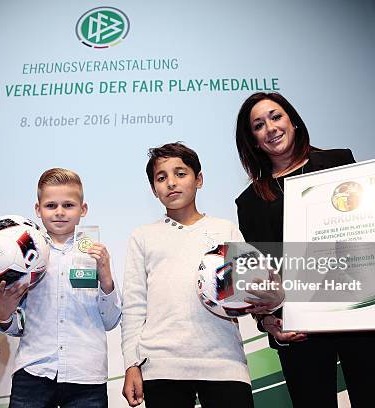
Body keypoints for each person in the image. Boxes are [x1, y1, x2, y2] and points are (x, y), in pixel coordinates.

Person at [234, 92, 375, 408]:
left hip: (362, 312)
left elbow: (373, 220)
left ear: (292, 121)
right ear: (253, 140)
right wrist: (268, 321)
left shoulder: (339, 162)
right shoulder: (251, 202)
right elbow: (261, 276)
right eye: (259, 125)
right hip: (300, 327)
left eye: (276, 116)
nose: (270, 128)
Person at [121, 142, 283, 408]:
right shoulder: (143, 236)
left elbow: (253, 288)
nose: (171, 182)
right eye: (161, 178)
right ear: (154, 189)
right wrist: (131, 364)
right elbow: (135, 307)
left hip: (224, 363)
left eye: (180, 173)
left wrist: (266, 314)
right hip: (162, 366)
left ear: (199, 179)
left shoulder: (226, 230)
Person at [0, 168, 121, 408]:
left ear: (83, 209)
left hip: (86, 377)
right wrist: (2, 313)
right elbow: (15, 327)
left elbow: (111, 321)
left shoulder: (95, 254)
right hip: (33, 374)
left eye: (68, 205)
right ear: (38, 210)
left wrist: (107, 278)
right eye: (51, 205)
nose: (59, 212)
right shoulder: (21, 256)